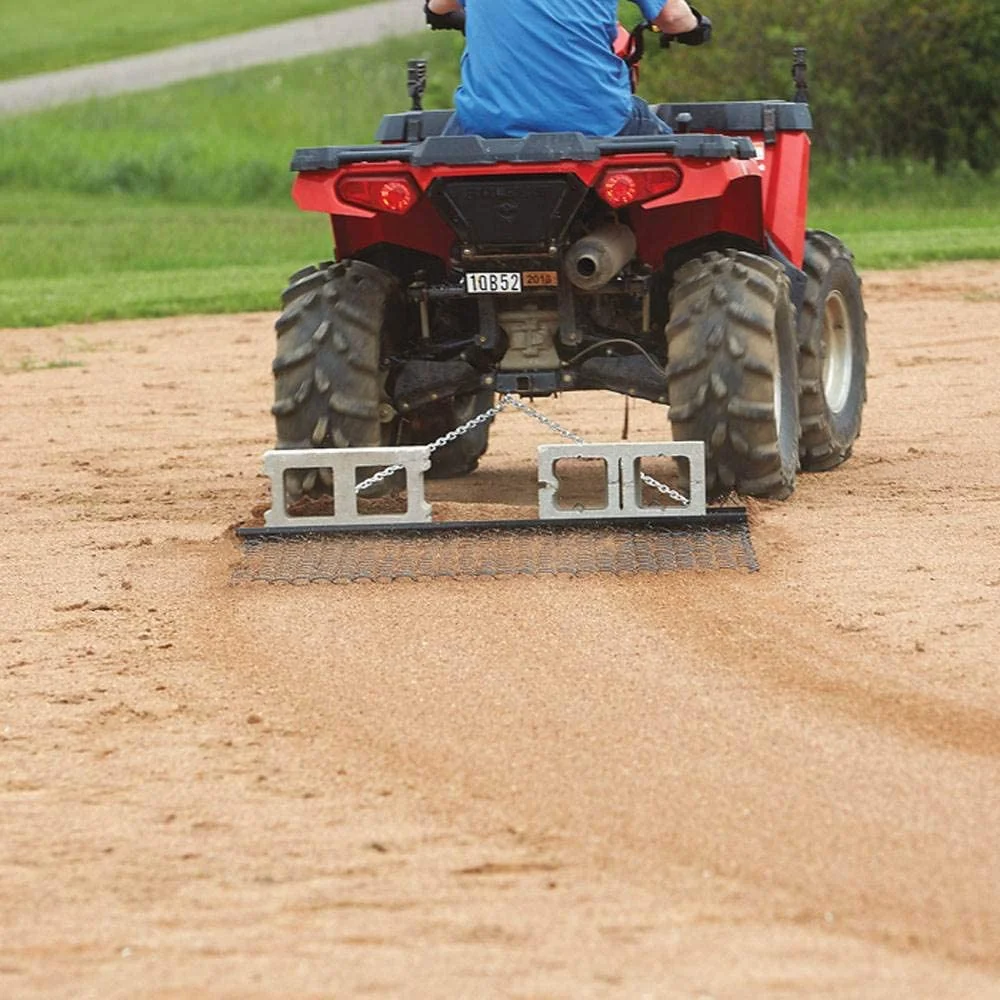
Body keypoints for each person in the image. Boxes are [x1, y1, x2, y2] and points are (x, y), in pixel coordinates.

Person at [425, 0, 712, 138]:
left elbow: (437, 7)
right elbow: (674, 17)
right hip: (597, 121)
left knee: (435, 169)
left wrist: (447, 14)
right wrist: (697, 27)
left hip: (487, 124)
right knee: (678, 173)